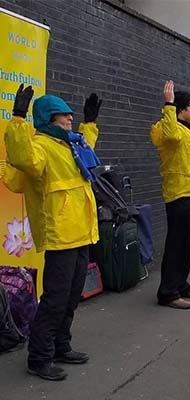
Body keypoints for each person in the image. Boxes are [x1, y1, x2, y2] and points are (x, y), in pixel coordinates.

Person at [4, 85, 102, 381]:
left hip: (81, 231)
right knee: (56, 298)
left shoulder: (69, 144)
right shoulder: (40, 146)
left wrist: (90, 123)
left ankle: (61, 346)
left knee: (72, 296)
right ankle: (39, 357)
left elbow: (88, 152)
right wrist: (19, 117)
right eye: (65, 115)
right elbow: (22, 158)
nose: (70, 118)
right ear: (49, 118)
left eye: (72, 115)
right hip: (61, 233)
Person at [151, 80, 190, 310]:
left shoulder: (188, 129)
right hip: (179, 195)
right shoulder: (168, 129)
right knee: (177, 245)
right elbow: (172, 135)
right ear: (181, 109)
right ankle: (168, 292)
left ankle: (181, 284)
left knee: (189, 244)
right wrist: (168, 104)